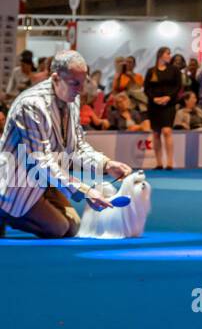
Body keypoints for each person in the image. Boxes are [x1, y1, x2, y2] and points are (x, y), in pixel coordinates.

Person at [0, 50, 133, 238]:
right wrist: (85, 190)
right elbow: (41, 161)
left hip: (44, 181)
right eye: (75, 83)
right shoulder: (31, 105)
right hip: (15, 183)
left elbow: (77, 147)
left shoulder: (72, 98)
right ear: (55, 78)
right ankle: (3, 213)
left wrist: (106, 164)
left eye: (83, 82)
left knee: (73, 227)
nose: (81, 90)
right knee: (59, 228)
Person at [144, 47, 182, 170]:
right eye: (167, 53)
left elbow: (178, 86)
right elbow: (146, 88)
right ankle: (159, 163)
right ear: (160, 55)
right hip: (154, 105)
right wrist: (154, 98)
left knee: (167, 131)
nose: (169, 56)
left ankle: (170, 162)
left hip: (169, 105)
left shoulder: (174, 70)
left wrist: (168, 97)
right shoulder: (151, 71)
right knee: (156, 133)